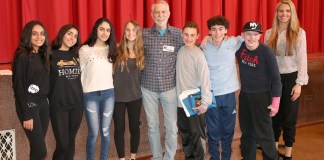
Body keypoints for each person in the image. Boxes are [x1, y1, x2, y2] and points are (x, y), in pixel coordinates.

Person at [264, 0, 309, 159]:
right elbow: (266, 60)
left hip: (291, 79)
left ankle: (288, 154)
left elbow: (302, 59)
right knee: (274, 116)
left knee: (289, 118)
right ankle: (273, 152)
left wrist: (299, 83)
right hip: (274, 80)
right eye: (281, 11)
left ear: (292, 14)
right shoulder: (269, 33)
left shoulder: (299, 32)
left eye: (288, 11)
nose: (284, 14)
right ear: (277, 13)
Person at [141, 0, 182, 159]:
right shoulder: (143, 34)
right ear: (152, 15)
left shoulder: (178, 34)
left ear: (169, 14)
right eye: (157, 12)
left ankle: (169, 157)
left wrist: (205, 41)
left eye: (163, 12)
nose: (160, 15)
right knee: (152, 126)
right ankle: (157, 157)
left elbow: (193, 47)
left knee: (171, 127)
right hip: (148, 88)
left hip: (170, 88)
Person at [236, 21, 282, 160]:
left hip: (262, 97)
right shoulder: (239, 47)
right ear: (243, 35)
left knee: (265, 134)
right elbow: (223, 41)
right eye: (248, 34)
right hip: (245, 96)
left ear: (260, 36)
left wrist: (276, 102)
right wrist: (207, 38)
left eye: (255, 34)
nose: (251, 38)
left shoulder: (266, 52)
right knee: (247, 132)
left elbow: (276, 78)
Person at [203, 16, 243, 160]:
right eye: (213, 29)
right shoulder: (204, 46)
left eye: (221, 29)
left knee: (228, 130)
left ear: (226, 30)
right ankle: (214, 157)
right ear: (209, 31)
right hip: (211, 94)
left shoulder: (233, 42)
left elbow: (248, 36)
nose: (217, 33)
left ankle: (226, 156)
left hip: (228, 95)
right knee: (213, 131)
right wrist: (204, 39)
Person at [79, 17, 117, 160]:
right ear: (96, 29)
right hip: (90, 95)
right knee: (93, 132)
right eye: (102, 29)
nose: (105, 33)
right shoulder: (85, 50)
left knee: (106, 131)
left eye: (108, 30)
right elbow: (80, 73)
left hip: (108, 94)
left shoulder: (112, 49)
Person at [12, 20, 50, 160]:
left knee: (37, 148)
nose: (39, 37)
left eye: (42, 34)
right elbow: (18, 87)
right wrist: (26, 114)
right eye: (34, 34)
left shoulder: (43, 55)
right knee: (41, 150)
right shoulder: (22, 56)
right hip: (29, 107)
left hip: (43, 105)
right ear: (28, 36)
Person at [176, 21, 212, 160]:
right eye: (186, 34)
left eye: (192, 35)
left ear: (197, 36)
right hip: (181, 102)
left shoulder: (199, 55)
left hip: (195, 100)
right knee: (185, 134)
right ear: (182, 35)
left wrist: (205, 103)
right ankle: (189, 157)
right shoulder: (180, 51)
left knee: (197, 134)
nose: (188, 38)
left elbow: (205, 80)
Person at [49, 24, 83, 160]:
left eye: (75, 36)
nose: (72, 38)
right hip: (58, 106)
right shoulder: (50, 54)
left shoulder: (77, 55)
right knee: (62, 144)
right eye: (69, 34)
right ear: (62, 34)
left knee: (70, 142)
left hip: (77, 104)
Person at [113, 20, 144, 160]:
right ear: (124, 32)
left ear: (138, 33)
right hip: (116, 97)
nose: (131, 33)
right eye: (128, 30)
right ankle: (121, 158)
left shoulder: (142, 52)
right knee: (119, 129)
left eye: (134, 30)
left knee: (134, 128)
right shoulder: (116, 50)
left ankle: (132, 157)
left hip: (135, 97)